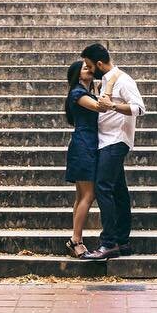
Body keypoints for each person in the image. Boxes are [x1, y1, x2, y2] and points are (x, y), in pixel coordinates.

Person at [79, 42, 145, 261]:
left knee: (102, 186)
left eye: (89, 65)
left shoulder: (124, 80)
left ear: (99, 63)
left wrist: (113, 106)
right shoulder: (106, 81)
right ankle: (123, 241)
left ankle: (108, 243)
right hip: (106, 141)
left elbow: (139, 108)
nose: (88, 69)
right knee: (118, 190)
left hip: (116, 141)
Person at [63, 59, 107, 259]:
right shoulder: (77, 93)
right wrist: (109, 85)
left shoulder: (85, 92)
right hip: (84, 146)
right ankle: (76, 240)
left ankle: (75, 238)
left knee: (82, 196)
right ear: (77, 75)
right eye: (85, 67)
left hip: (85, 145)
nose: (89, 68)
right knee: (88, 195)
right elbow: (100, 107)